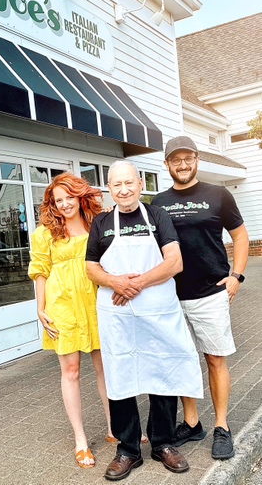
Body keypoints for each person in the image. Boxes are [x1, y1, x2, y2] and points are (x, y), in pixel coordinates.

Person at [86, 160, 203, 481]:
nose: (123, 190)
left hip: (157, 312)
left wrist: (132, 284)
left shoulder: (157, 216)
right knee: (120, 373)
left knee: (162, 371)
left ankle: (163, 443)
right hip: (118, 316)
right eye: (116, 185)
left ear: (139, 184)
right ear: (109, 189)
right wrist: (114, 282)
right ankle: (128, 450)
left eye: (129, 183)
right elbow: (91, 267)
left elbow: (174, 262)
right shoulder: (101, 223)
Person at [152, 136, 249, 460]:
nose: (182, 164)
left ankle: (222, 426)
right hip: (170, 294)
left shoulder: (217, 194)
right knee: (183, 359)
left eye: (187, 158)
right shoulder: (157, 201)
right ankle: (192, 423)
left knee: (214, 358)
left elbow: (240, 235)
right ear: (167, 164)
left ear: (196, 160)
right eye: (175, 160)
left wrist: (236, 276)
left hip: (211, 292)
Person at [28, 172, 113, 469]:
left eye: (69, 197)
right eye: (58, 200)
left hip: (95, 300)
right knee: (72, 370)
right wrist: (40, 309)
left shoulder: (97, 223)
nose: (64, 205)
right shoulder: (45, 232)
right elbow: (40, 271)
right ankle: (80, 440)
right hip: (62, 305)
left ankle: (114, 427)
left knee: (105, 365)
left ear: (79, 196)